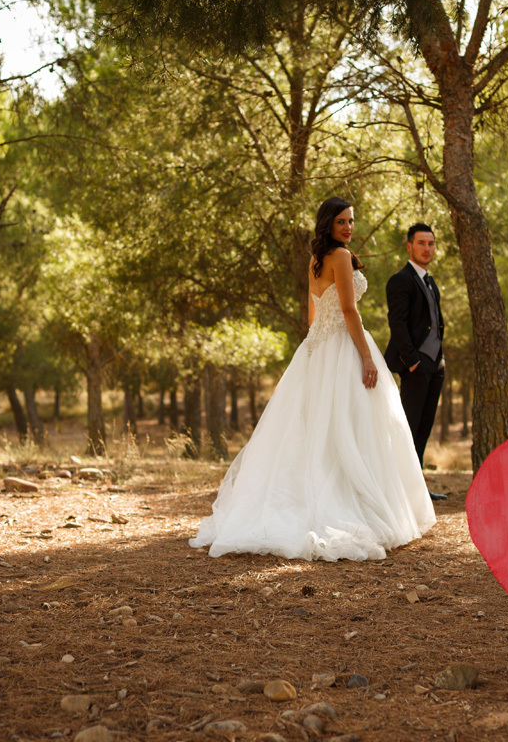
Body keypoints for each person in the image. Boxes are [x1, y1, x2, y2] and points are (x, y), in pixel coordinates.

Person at [189, 197, 436, 561]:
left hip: (317, 349)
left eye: (351, 221)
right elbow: (349, 310)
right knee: (354, 427)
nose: (348, 227)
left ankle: (317, 496)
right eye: (341, 221)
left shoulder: (316, 259)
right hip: (344, 346)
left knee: (319, 427)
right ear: (328, 224)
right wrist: (366, 357)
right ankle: (352, 504)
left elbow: (312, 315)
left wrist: (319, 347)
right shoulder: (340, 257)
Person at [384, 223, 447, 500]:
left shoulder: (430, 281)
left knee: (423, 428)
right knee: (408, 428)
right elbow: (397, 324)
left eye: (431, 243)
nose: (427, 248)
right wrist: (412, 362)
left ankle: (416, 489)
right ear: (409, 246)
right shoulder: (400, 280)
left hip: (436, 366)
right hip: (416, 365)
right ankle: (400, 491)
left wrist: (439, 360)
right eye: (421, 243)